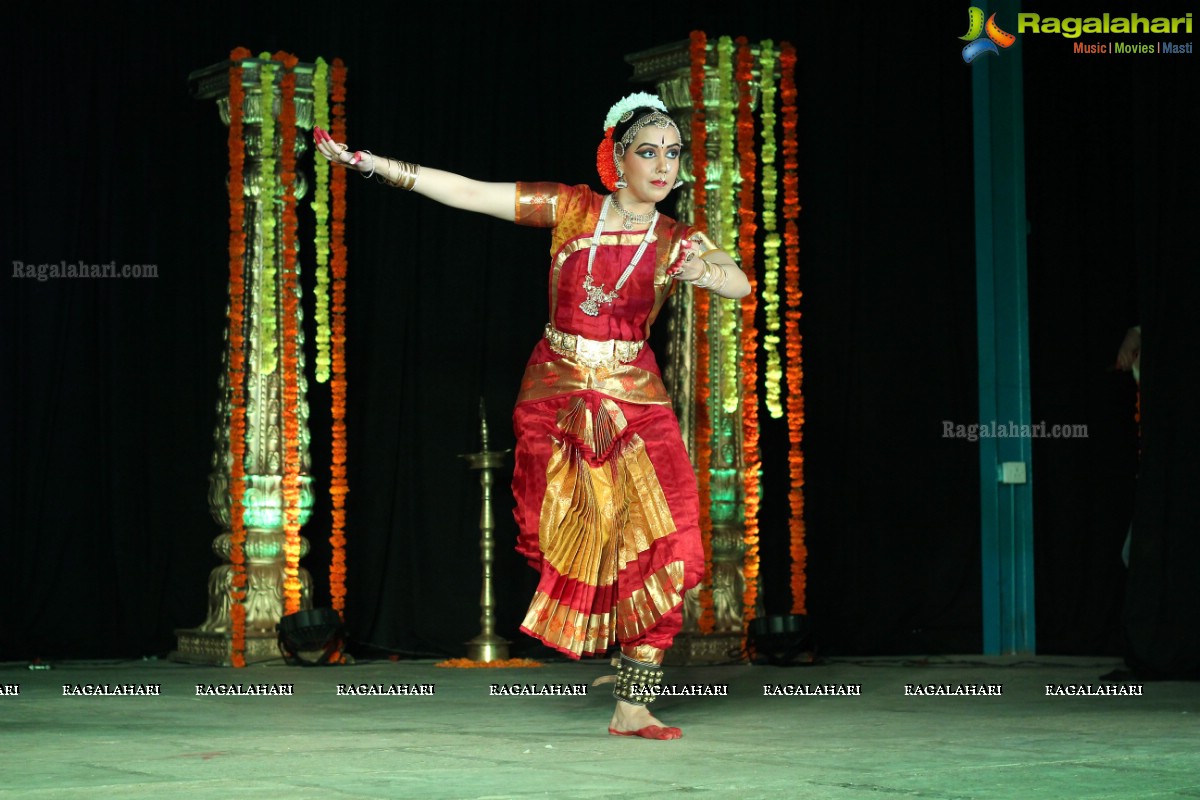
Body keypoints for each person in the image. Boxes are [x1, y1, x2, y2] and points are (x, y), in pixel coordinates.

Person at [314, 92, 749, 740]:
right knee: (571, 530)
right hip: (559, 392)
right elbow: (470, 193)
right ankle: (614, 643)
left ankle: (635, 701)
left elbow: (738, 279)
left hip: (636, 398)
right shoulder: (572, 210)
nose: (663, 166)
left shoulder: (676, 239)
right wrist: (374, 164)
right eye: (648, 152)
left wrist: (709, 272)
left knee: (674, 536)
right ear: (617, 159)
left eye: (673, 154)